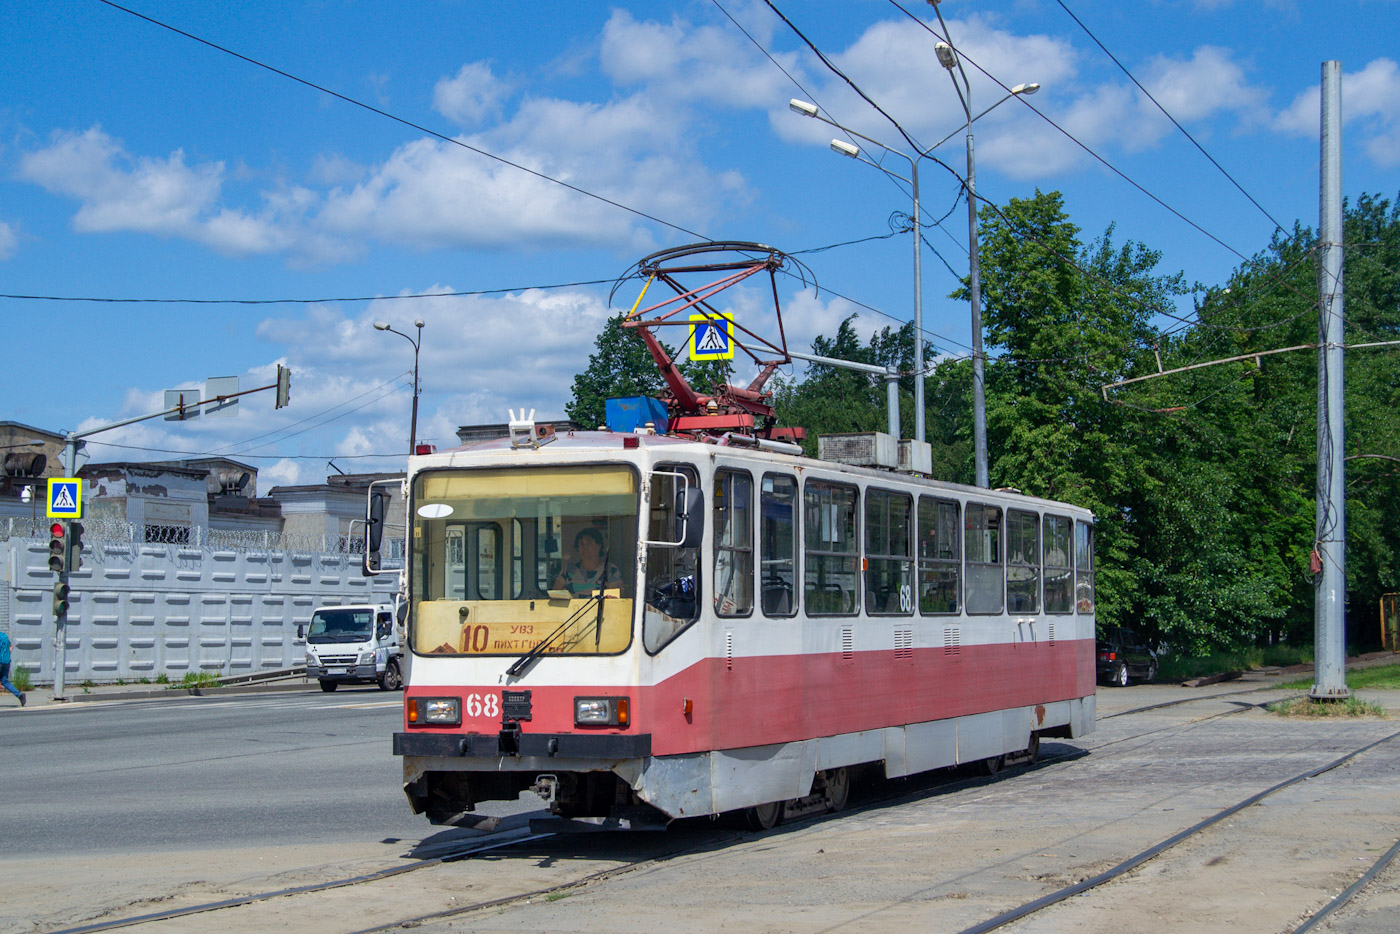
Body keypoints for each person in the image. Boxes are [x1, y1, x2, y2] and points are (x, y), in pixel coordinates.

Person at [553, 527, 623, 595]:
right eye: (581, 544)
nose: (585, 547)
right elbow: (554, 596)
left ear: (599, 546)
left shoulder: (611, 570)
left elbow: (615, 600)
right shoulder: (568, 570)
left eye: (589, 543)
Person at [0, 630, 25, 707]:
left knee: (4, 681)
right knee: (5, 681)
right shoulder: (4, 636)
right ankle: (19, 695)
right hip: (6, 661)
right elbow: (11, 647)